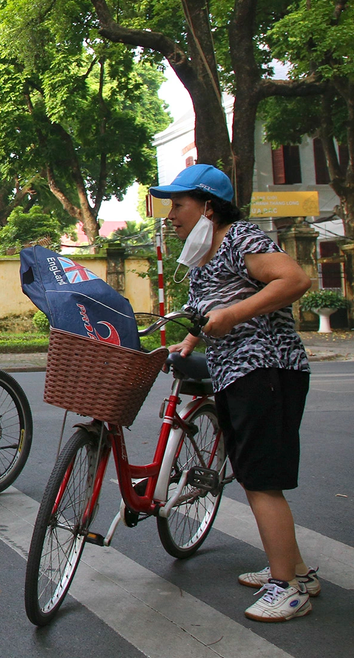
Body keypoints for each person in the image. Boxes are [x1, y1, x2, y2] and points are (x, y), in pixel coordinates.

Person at [151, 163, 316, 623]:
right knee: (252, 473)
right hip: (237, 372)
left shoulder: (242, 237)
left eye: (178, 205)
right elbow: (211, 313)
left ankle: (287, 589)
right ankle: (297, 571)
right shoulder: (205, 252)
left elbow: (294, 280)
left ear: (208, 205)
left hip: (266, 368)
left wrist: (236, 314)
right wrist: (190, 340)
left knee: (262, 477)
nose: (171, 215)